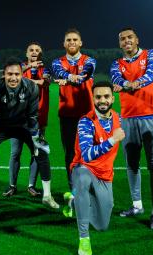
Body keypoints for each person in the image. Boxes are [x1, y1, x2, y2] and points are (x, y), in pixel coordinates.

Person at [0, 58, 59, 209]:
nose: (13, 78)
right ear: (4, 75)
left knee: (41, 151)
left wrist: (35, 138)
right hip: (1, 126)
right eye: (9, 74)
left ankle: (47, 196)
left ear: (22, 74)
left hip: (24, 125)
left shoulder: (31, 87)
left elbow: (33, 115)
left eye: (16, 74)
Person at [110, 27, 153, 230]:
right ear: (120, 44)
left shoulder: (151, 55)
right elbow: (116, 80)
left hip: (152, 116)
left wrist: (133, 84)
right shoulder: (117, 64)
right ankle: (137, 205)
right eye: (122, 39)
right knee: (132, 164)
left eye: (129, 37)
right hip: (129, 119)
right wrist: (126, 84)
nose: (126, 41)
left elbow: (152, 73)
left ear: (137, 39)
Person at [66, 81, 125, 255]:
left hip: (105, 175)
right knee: (83, 178)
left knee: (102, 225)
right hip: (83, 168)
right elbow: (87, 155)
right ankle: (84, 238)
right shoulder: (86, 121)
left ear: (112, 98)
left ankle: (74, 199)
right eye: (98, 97)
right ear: (93, 99)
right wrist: (112, 140)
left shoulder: (118, 119)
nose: (102, 100)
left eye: (106, 96)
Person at [3, 42, 51, 197]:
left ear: (41, 53)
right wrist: (28, 67)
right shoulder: (20, 69)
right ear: (26, 53)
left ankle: (31, 186)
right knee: (15, 152)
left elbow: (44, 82)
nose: (34, 52)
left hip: (37, 118)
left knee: (36, 152)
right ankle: (12, 185)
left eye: (38, 50)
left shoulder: (46, 69)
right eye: (31, 50)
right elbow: (9, 78)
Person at [52, 28, 96, 190]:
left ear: (81, 43)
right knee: (70, 153)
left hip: (87, 114)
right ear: (64, 43)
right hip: (67, 114)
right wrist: (70, 77)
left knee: (89, 151)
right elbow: (58, 72)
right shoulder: (57, 62)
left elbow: (85, 74)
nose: (72, 42)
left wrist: (69, 79)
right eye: (69, 40)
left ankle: (90, 186)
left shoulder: (90, 60)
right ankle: (74, 188)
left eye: (75, 39)